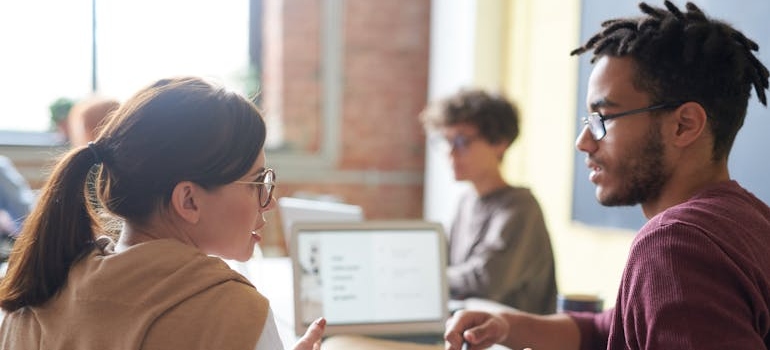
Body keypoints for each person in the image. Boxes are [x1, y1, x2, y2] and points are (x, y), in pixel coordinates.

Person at [444, 1, 770, 349]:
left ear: (683, 125)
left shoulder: (674, 244)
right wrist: (508, 326)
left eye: (604, 118)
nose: (583, 142)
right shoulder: (748, 222)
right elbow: (608, 327)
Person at [0, 77, 326, 349]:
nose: (267, 202)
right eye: (257, 181)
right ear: (189, 201)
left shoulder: (33, 296)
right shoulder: (236, 315)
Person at [420, 89, 557, 314]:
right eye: (447, 141)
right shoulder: (466, 201)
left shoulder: (520, 207)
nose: (451, 153)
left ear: (499, 143)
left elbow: (486, 280)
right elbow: (443, 262)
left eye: (462, 141)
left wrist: (426, 276)